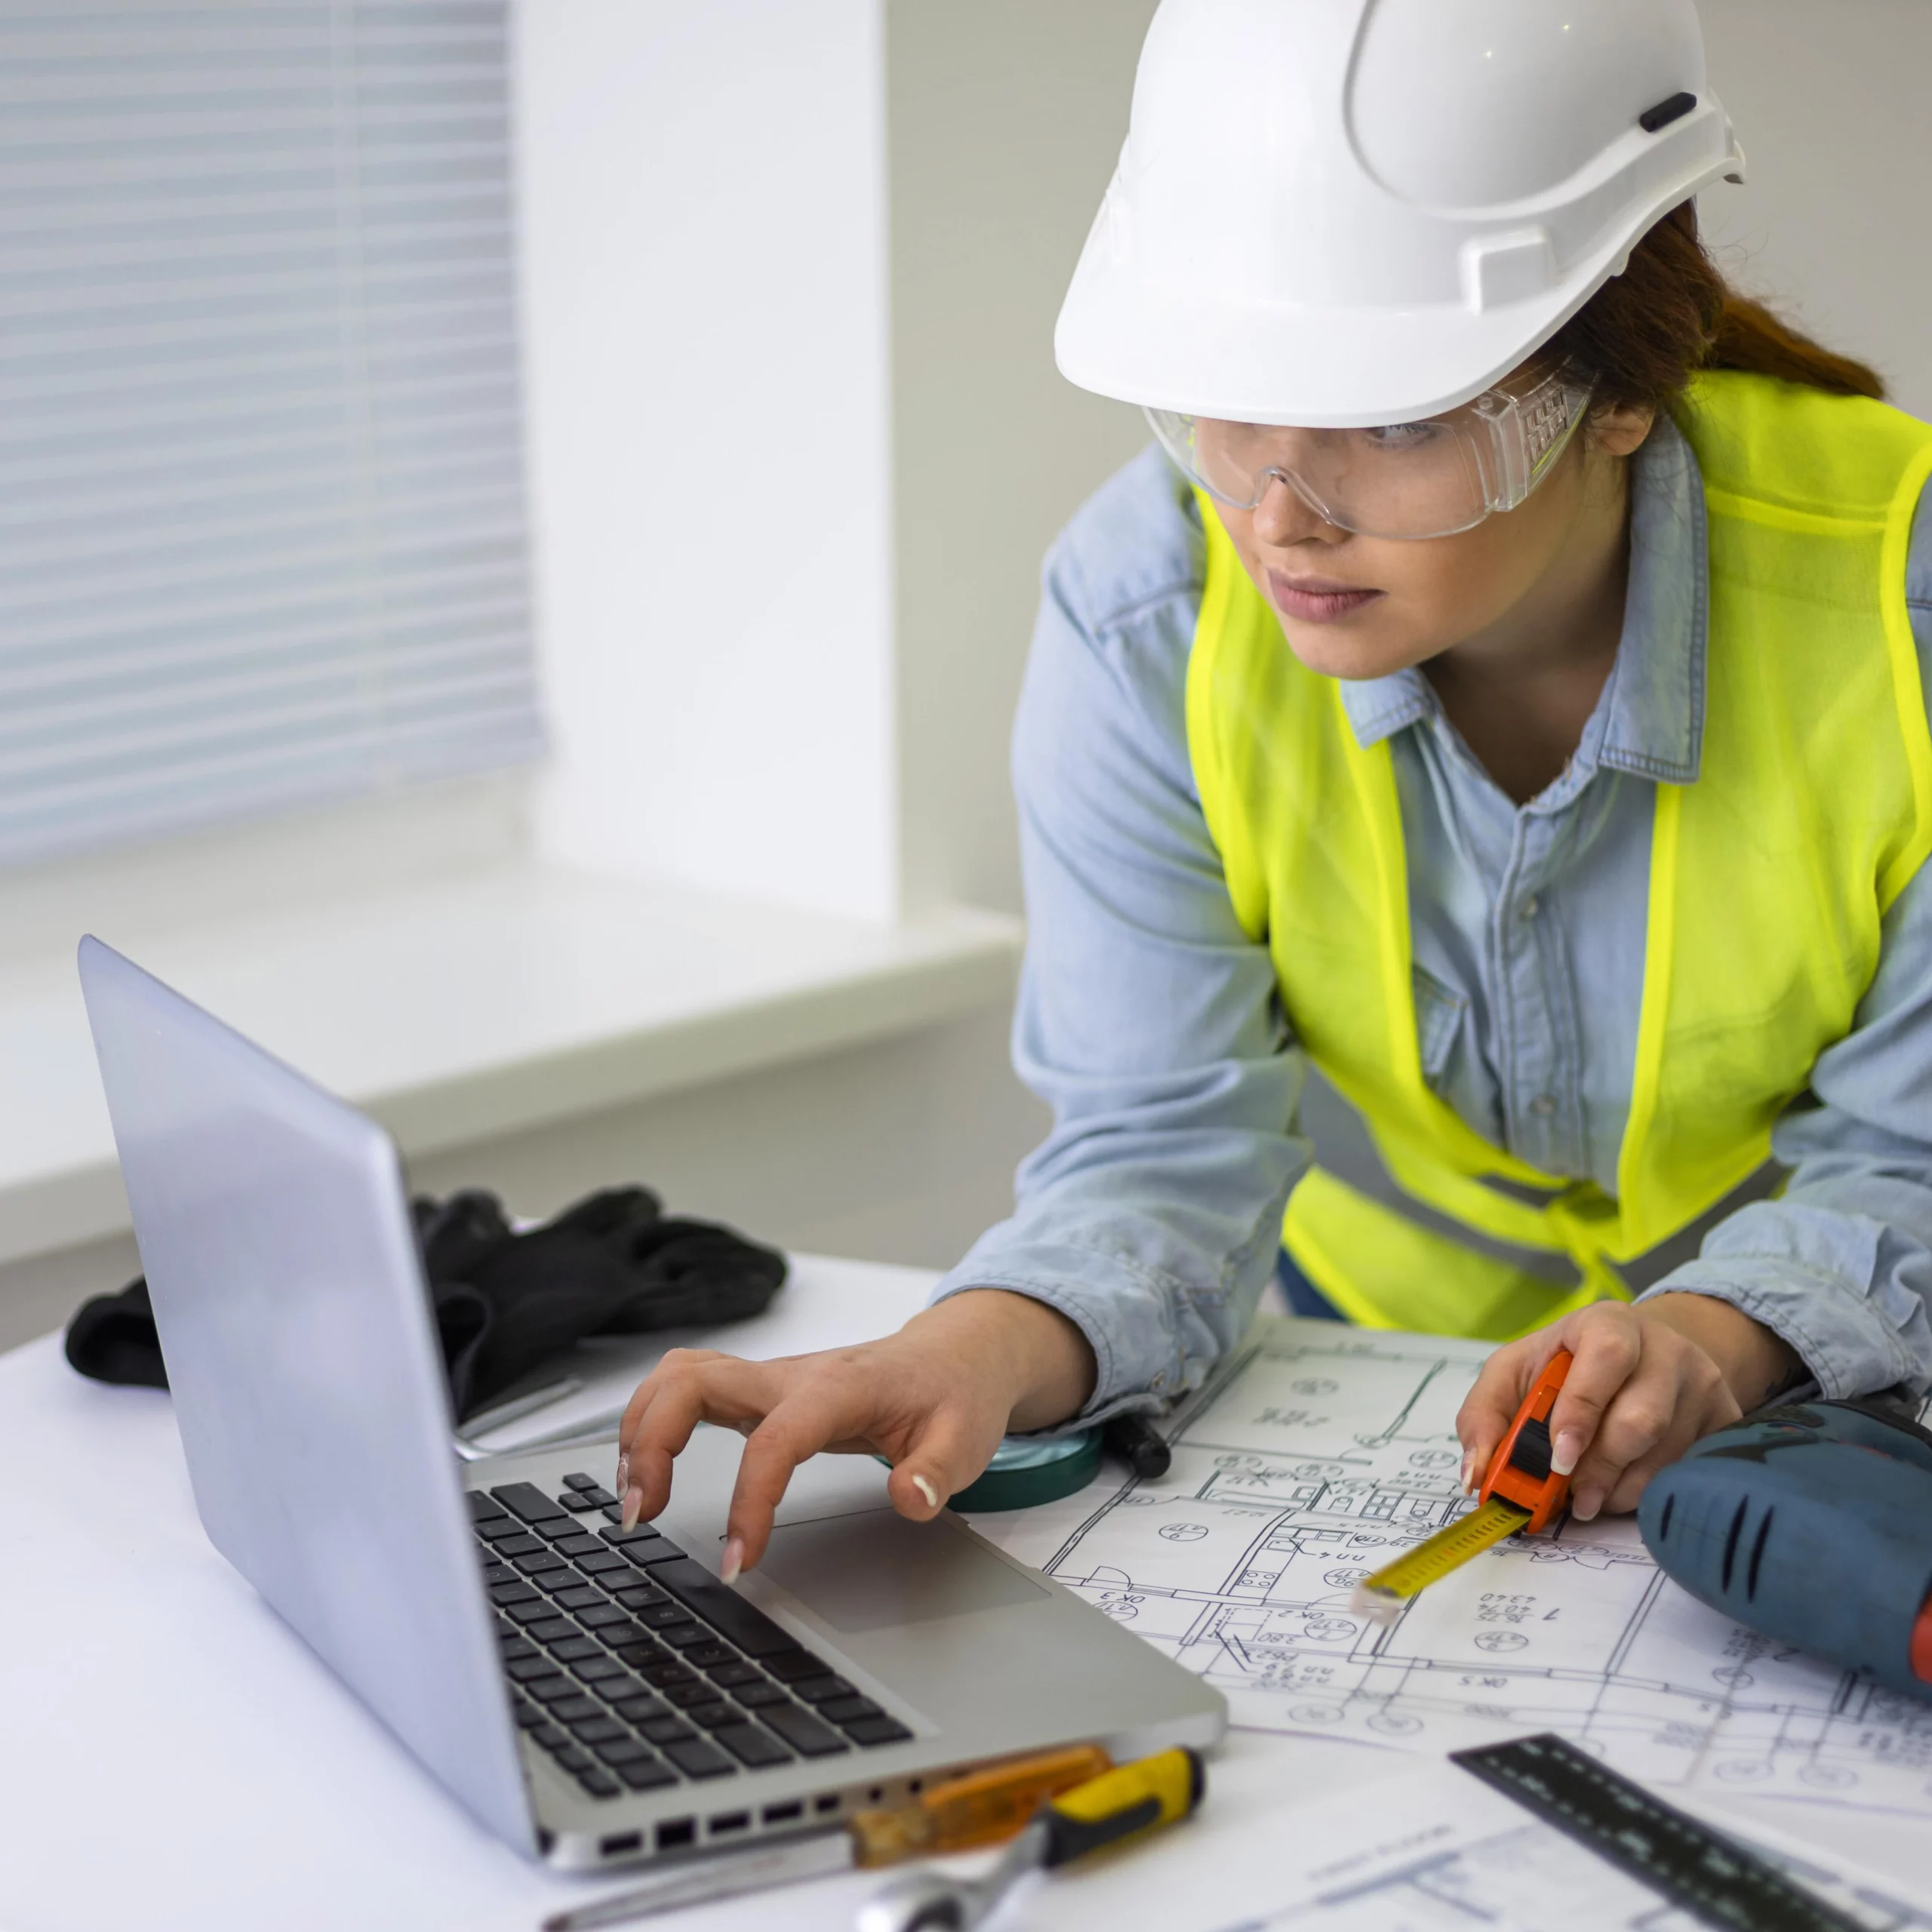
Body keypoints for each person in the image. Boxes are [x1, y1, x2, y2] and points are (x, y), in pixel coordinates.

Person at [616, 0, 1932, 1580]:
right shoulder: (1144, 611)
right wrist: (967, 1345)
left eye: (1390, 417)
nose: (1279, 512)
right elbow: (1157, 1147)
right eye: (1226, 397)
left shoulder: (1896, 607)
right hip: (1359, 1407)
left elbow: (1910, 1157)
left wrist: (1710, 1340)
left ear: (1620, 387)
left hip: (1823, 1430)